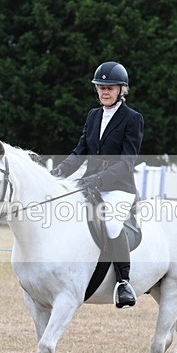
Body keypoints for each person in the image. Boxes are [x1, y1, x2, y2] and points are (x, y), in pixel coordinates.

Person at [51, 61, 144, 308]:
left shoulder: (132, 119)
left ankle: (123, 282)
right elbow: (80, 150)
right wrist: (60, 170)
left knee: (112, 223)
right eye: (101, 87)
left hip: (119, 188)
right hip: (90, 184)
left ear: (121, 90)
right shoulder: (93, 116)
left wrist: (100, 179)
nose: (104, 91)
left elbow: (127, 162)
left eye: (110, 88)